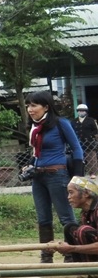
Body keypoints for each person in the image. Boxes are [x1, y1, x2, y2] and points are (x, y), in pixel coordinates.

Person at [23, 91, 84, 263]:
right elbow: (36, 152)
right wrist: (29, 164)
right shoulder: (34, 126)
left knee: (66, 217)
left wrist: (77, 178)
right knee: (43, 218)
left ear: (46, 107)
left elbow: (77, 149)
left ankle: (73, 255)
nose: (29, 109)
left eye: (34, 105)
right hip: (38, 177)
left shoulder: (60, 123)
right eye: (28, 105)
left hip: (57, 174)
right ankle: (46, 255)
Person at [53, 176, 98, 264]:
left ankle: (92, 269)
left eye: (71, 192)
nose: (68, 197)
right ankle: (81, 267)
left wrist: (71, 248)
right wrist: (57, 245)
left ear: (86, 193)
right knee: (70, 228)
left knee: (83, 230)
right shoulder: (85, 213)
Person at [71, 104, 98, 179]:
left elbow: (95, 131)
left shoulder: (91, 120)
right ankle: (79, 173)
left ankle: (93, 173)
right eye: (79, 111)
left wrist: (91, 136)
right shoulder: (74, 121)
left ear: (86, 112)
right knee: (78, 158)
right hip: (78, 142)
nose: (81, 112)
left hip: (89, 142)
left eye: (83, 111)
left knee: (91, 157)